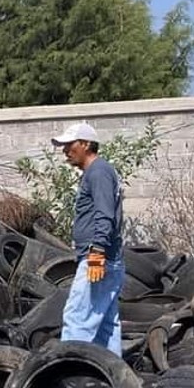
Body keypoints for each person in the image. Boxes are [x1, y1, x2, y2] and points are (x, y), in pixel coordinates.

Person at [51, 122, 124, 356]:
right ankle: (111, 378)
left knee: (77, 318)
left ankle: (70, 374)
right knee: (105, 326)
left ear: (86, 144)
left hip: (98, 258)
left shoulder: (99, 172)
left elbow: (105, 213)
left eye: (69, 145)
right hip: (105, 257)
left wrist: (97, 251)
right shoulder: (97, 172)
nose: (65, 151)